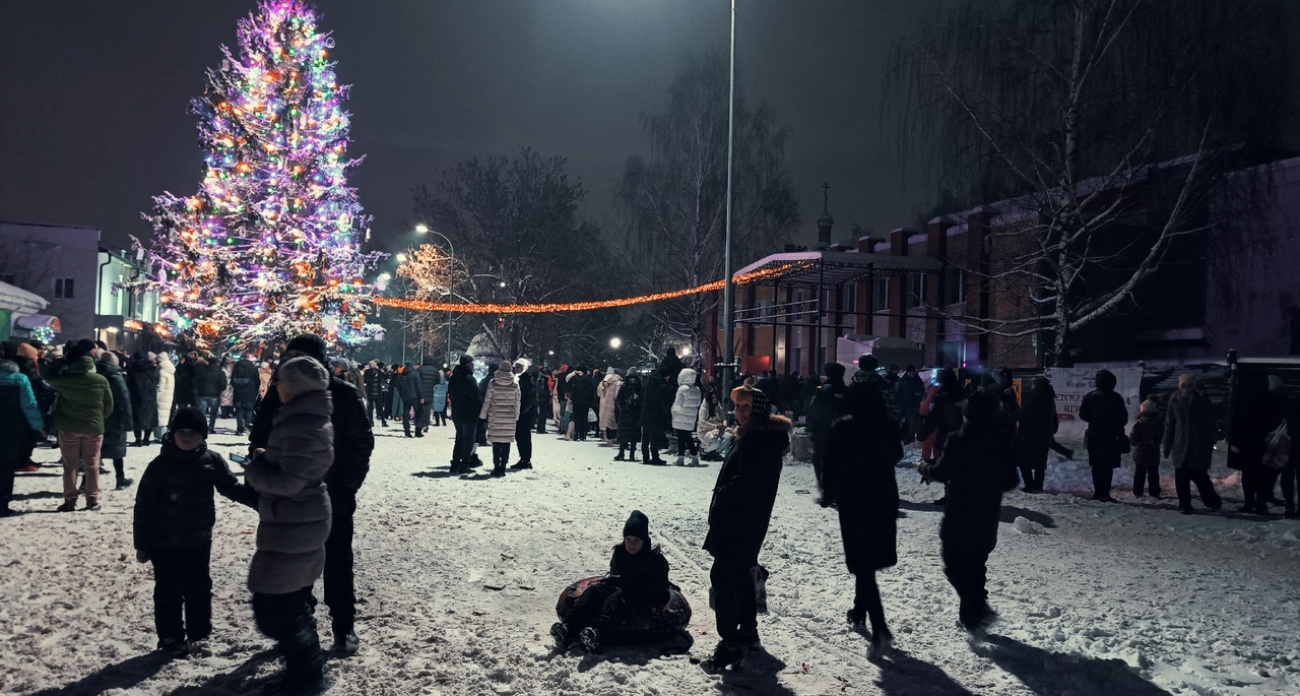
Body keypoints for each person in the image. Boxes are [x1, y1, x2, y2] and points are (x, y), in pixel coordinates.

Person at [249, 334, 373, 655]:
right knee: (294, 569)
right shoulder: (279, 393)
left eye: (301, 356)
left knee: (337, 566)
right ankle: (299, 628)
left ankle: (343, 627)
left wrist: (346, 489)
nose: (293, 362)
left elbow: (361, 445)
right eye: (289, 356)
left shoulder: (344, 395)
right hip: (289, 501)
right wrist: (263, 464)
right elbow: (258, 435)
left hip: (334, 498)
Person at [133, 407, 257, 657]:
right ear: (173, 434)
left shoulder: (211, 460)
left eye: (193, 432)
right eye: (181, 432)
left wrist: (259, 502)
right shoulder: (160, 465)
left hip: (198, 539)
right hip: (164, 541)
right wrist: (143, 543)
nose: (187, 437)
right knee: (167, 591)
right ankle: (170, 637)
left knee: (198, 588)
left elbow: (230, 487)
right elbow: (144, 506)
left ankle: (199, 634)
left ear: (203, 435)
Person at [245, 356, 334, 695]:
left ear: (293, 388)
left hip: (297, 520)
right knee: (286, 602)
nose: (276, 387)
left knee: (276, 608)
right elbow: (299, 465)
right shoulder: (303, 418)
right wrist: (269, 455)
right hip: (295, 519)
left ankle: (308, 676)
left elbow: (293, 481)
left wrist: (256, 471)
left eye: (280, 382)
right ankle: (305, 672)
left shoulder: (303, 423)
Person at [701, 387, 791, 671]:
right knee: (741, 578)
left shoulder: (759, 440)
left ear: (759, 410)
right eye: (738, 406)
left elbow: (748, 484)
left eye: (747, 407)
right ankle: (748, 634)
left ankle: (730, 644)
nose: (740, 412)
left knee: (724, 577)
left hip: (740, 523)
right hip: (745, 523)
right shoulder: (756, 436)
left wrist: (724, 496)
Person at [917, 389, 1016, 637]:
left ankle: (978, 608)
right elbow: (1011, 481)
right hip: (987, 512)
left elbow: (941, 472)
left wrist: (923, 467)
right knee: (976, 563)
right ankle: (971, 618)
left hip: (960, 511)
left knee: (953, 564)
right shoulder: (1001, 441)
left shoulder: (959, 440)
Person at [821, 382, 902, 658]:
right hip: (883, 497)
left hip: (854, 499)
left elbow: (830, 462)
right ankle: (858, 611)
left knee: (862, 563)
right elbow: (897, 454)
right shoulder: (887, 425)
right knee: (868, 560)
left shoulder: (843, 426)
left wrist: (827, 493)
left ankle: (880, 628)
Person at [551, 510, 672, 653]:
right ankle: (568, 627)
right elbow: (616, 575)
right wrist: (612, 581)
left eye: (636, 541)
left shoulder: (655, 561)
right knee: (594, 591)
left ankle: (599, 635)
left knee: (617, 599)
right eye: (628, 539)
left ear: (644, 541)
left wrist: (635, 585)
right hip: (622, 589)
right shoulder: (620, 554)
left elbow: (661, 589)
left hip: (643, 597)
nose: (631, 544)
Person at [46, 343, 114, 512]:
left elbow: (47, 376)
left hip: (69, 427)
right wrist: (98, 418)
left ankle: (70, 499)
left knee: (70, 464)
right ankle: (92, 499)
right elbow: (109, 405)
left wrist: (60, 362)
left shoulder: (65, 381)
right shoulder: (101, 380)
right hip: (94, 428)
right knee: (93, 464)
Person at [1163, 374, 1223, 515]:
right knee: (1181, 477)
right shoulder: (1175, 399)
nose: (1186, 388)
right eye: (1183, 385)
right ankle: (1184, 504)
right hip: (1180, 444)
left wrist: (1210, 440)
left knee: (1199, 476)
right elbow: (1170, 423)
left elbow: (1210, 422)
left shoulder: (1202, 400)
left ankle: (1213, 501)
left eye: (1189, 385)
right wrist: (1167, 443)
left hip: (1198, 446)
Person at [1, 358, 45, 517]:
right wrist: (38, 426)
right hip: (12, 427)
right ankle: (2, 504)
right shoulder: (20, 380)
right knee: (7, 465)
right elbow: (29, 405)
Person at [1079, 369, 1128, 503]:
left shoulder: (1090, 396)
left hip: (1095, 434)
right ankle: (1104, 493)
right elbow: (1123, 418)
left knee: (1096, 465)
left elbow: (1083, 414)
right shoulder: (1116, 397)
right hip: (1111, 436)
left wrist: (1095, 420)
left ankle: (1098, 492)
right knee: (1107, 466)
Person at [807, 362, 848, 494]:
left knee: (820, 460)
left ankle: (825, 487)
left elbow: (812, 411)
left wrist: (811, 430)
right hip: (842, 433)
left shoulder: (822, 390)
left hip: (823, 433)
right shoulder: (847, 391)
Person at [1014, 376, 1059, 493]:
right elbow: (1053, 416)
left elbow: (1023, 414)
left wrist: (1015, 413)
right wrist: (1052, 429)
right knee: (1040, 463)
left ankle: (1029, 486)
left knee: (1025, 462)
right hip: (1044, 435)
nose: (1031, 386)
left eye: (1033, 384)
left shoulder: (1034, 397)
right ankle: (1038, 486)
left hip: (1029, 434)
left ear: (1036, 385)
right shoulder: (1049, 397)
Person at [98, 352, 135, 490]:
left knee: (96, 452)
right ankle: (120, 479)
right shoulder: (115, 377)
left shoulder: (95, 374)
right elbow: (124, 400)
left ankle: (86, 482)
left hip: (97, 418)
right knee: (117, 452)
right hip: (115, 419)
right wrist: (128, 422)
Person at [480, 361, 521, 478]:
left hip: (495, 417)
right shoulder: (514, 385)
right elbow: (517, 403)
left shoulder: (493, 383)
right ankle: (503, 467)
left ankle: (497, 467)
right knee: (506, 444)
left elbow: (487, 401)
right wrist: (516, 417)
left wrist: (483, 415)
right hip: (509, 418)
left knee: (496, 443)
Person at [448, 355, 482, 474]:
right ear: (467, 364)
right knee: (468, 441)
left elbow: (451, 395)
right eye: (471, 363)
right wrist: (479, 410)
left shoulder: (453, 378)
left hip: (457, 413)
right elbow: (475, 398)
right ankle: (464, 465)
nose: (473, 365)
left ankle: (455, 464)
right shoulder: (469, 379)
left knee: (459, 440)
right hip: (469, 414)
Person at [1128, 398, 1164, 499]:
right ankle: (1154, 492)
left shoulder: (1140, 423)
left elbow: (1134, 438)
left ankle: (1138, 491)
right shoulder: (1158, 423)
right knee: (1153, 473)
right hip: (1154, 452)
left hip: (1141, 452)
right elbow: (1161, 436)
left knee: (1139, 473)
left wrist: (1132, 442)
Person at [852, 355, 902, 426]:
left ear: (860, 365)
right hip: (879, 428)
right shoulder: (884, 385)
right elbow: (894, 410)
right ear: (875, 366)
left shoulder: (853, 385)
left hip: (855, 429)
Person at [670, 368, 702, 466]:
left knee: (681, 439)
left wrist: (673, 413)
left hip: (680, 417)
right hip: (691, 418)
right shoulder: (697, 389)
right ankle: (695, 457)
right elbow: (697, 403)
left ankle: (681, 458)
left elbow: (677, 404)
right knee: (688, 438)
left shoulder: (682, 389)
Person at [127, 351, 160, 447]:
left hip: (136, 395)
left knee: (137, 418)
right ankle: (146, 439)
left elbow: (129, 382)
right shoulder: (153, 368)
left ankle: (138, 440)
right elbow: (156, 380)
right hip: (150, 396)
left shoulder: (132, 368)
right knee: (150, 418)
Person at [639, 370, 671, 465]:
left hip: (645, 413)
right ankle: (655, 457)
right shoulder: (662, 386)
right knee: (654, 437)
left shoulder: (649, 382)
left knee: (645, 436)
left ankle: (645, 457)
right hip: (656, 415)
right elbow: (663, 403)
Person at [511, 361, 535, 470]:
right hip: (518, 412)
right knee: (519, 436)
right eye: (516, 367)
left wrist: (524, 410)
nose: (517, 368)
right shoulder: (517, 378)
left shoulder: (527, 379)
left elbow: (530, 396)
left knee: (524, 436)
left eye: (519, 367)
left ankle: (526, 459)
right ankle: (523, 458)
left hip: (524, 413)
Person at [696, 388, 731, 462]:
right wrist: (715, 426)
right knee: (716, 441)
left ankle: (715, 453)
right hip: (705, 431)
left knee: (729, 437)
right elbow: (702, 422)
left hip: (718, 430)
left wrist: (724, 424)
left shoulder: (718, 406)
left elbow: (723, 417)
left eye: (715, 397)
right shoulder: (704, 408)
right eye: (712, 397)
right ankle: (705, 452)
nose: (714, 399)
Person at [614, 373, 643, 461]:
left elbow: (619, 400)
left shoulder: (626, 387)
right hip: (632, 414)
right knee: (630, 434)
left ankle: (624, 453)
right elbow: (619, 400)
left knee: (626, 434)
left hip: (627, 414)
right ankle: (628, 453)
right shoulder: (637, 387)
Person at [231, 352, 261, 436]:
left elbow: (232, 379)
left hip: (238, 393)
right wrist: (255, 390)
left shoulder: (236, 367)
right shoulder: (253, 368)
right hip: (250, 391)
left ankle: (239, 428)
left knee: (239, 410)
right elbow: (257, 381)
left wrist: (236, 387)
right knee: (249, 410)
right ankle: (247, 427)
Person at [895, 366, 926, 443]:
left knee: (915, 422)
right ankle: (909, 437)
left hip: (915, 405)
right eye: (910, 373)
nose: (911, 374)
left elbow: (922, 390)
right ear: (907, 372)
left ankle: (912, 435)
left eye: (913, 373)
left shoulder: (918, 380)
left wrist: (919, 395)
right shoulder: (902, 381)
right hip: (906, 405)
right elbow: (898, 392)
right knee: (908, 422)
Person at [568, 367, 596, 442]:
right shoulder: (589, 380)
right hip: (586, 402)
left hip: (576, 401)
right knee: (584, 418)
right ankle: (583, 435)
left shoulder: (574, 379)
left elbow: (568, 387)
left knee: (576, 418)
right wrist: (590, 402)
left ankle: (576, 435)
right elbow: (592, 392)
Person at [597, 370, 623, 445]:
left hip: (605, 403)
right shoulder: (618, 383)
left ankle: (607, 438)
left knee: (606, 422)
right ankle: (614, 438)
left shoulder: (607, 383)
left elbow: (599, 393)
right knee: (614, 422)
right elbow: (616, 395)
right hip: (613, 405)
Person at [417, 356, 442, 434]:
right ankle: (426, 425)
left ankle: (419, 424)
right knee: (428, 410)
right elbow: (438, 381)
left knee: (420, 409)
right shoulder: (435, 370)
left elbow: (417, 379)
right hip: (430, 392)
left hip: (420, 392)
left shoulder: (420, 369)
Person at [396, 362, 421, 438]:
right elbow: (418, 386)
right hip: (415, 396)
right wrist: (421, 396)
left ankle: (407, 431)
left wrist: (402, 395)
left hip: (406, 396)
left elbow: (399, 387)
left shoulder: (401, 376)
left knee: (406, 414)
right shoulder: (415, 374)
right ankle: (417, 431)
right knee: (418, 414)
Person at [155, 352, 175, 441]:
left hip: (161, 397)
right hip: (168, 396)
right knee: (164, 417)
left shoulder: (162, 372)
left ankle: (161, 436)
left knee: (160, 418)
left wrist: (155, 395)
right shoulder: (170, 371)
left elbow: (160, 387)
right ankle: (162, 435)